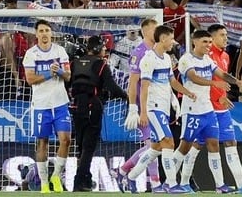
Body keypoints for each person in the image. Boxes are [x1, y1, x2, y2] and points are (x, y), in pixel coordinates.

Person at [175, 29, 236, 192]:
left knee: (214, 145)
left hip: (207, 110)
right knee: (185, 147)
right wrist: (214, 83)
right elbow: (193, 77)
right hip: (191, 109)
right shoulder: (186, 60)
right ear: (194, 42)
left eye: (210, 42)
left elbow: (222, 74)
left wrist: (238, 82)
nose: (208, 45)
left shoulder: (207, 59)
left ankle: (220, 185)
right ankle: (171, 181)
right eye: (205, 42)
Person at [68, 33, 126, 192]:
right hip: (93, 105)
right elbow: (112, 88)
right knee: (89, 146)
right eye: (103, 47)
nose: (105, 50)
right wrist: (127, 96)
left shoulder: (74, 63)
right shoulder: (101, 65)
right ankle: (80, 180)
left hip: (76, 106)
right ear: (98, 48)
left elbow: (67, 83)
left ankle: (85, 179)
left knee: (81, 145)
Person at [128, 25, 182, 191]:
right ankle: (171, 184)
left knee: (155, 148)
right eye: (171, 38)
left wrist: (183, 95)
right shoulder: (147, 57)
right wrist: (140, 111)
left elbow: (170, 82)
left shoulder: (166, 58)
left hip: (164, 107)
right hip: (153, 108)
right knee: (168, 142)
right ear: (163, 38)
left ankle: (130, 176)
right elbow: (142, 87)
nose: (173, 42)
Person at [206, 24, 242, 193]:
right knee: (196, 146)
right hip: (207, 107)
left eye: (226, 35)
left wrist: (227, 93)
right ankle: (178, 181)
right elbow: (204, 82)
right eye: (222, 35)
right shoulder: (206, 56)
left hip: (221, 107)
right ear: (212, 37)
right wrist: (218, 97)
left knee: (230, 142)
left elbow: (222, 82)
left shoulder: (226, 56)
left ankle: (241, 184)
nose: (226, 38)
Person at [23, 19, 72, 193]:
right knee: (42, 142)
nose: (44, 34)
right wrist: (49, 73)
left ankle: (56, 176)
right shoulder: (31, 54)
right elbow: (30, 79)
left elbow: (68, 76)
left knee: (65, 140)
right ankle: (44, 182)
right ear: (36, 34)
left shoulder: (60, 51)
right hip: (41, 105)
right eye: (41, 31)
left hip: (60, 103)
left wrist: (59, 71)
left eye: (47, 30)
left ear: (51, 33)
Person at [117, 18, 162, 190]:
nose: (158, 32)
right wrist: (133, 108)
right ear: (146, 31)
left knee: (155, 145)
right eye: (155, 29)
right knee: (153, 146)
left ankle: (122, 171)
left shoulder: (158, 50)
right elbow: (133, 82)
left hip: (157, 103)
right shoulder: (139, 52)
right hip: (143, 105)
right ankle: (155, 183)